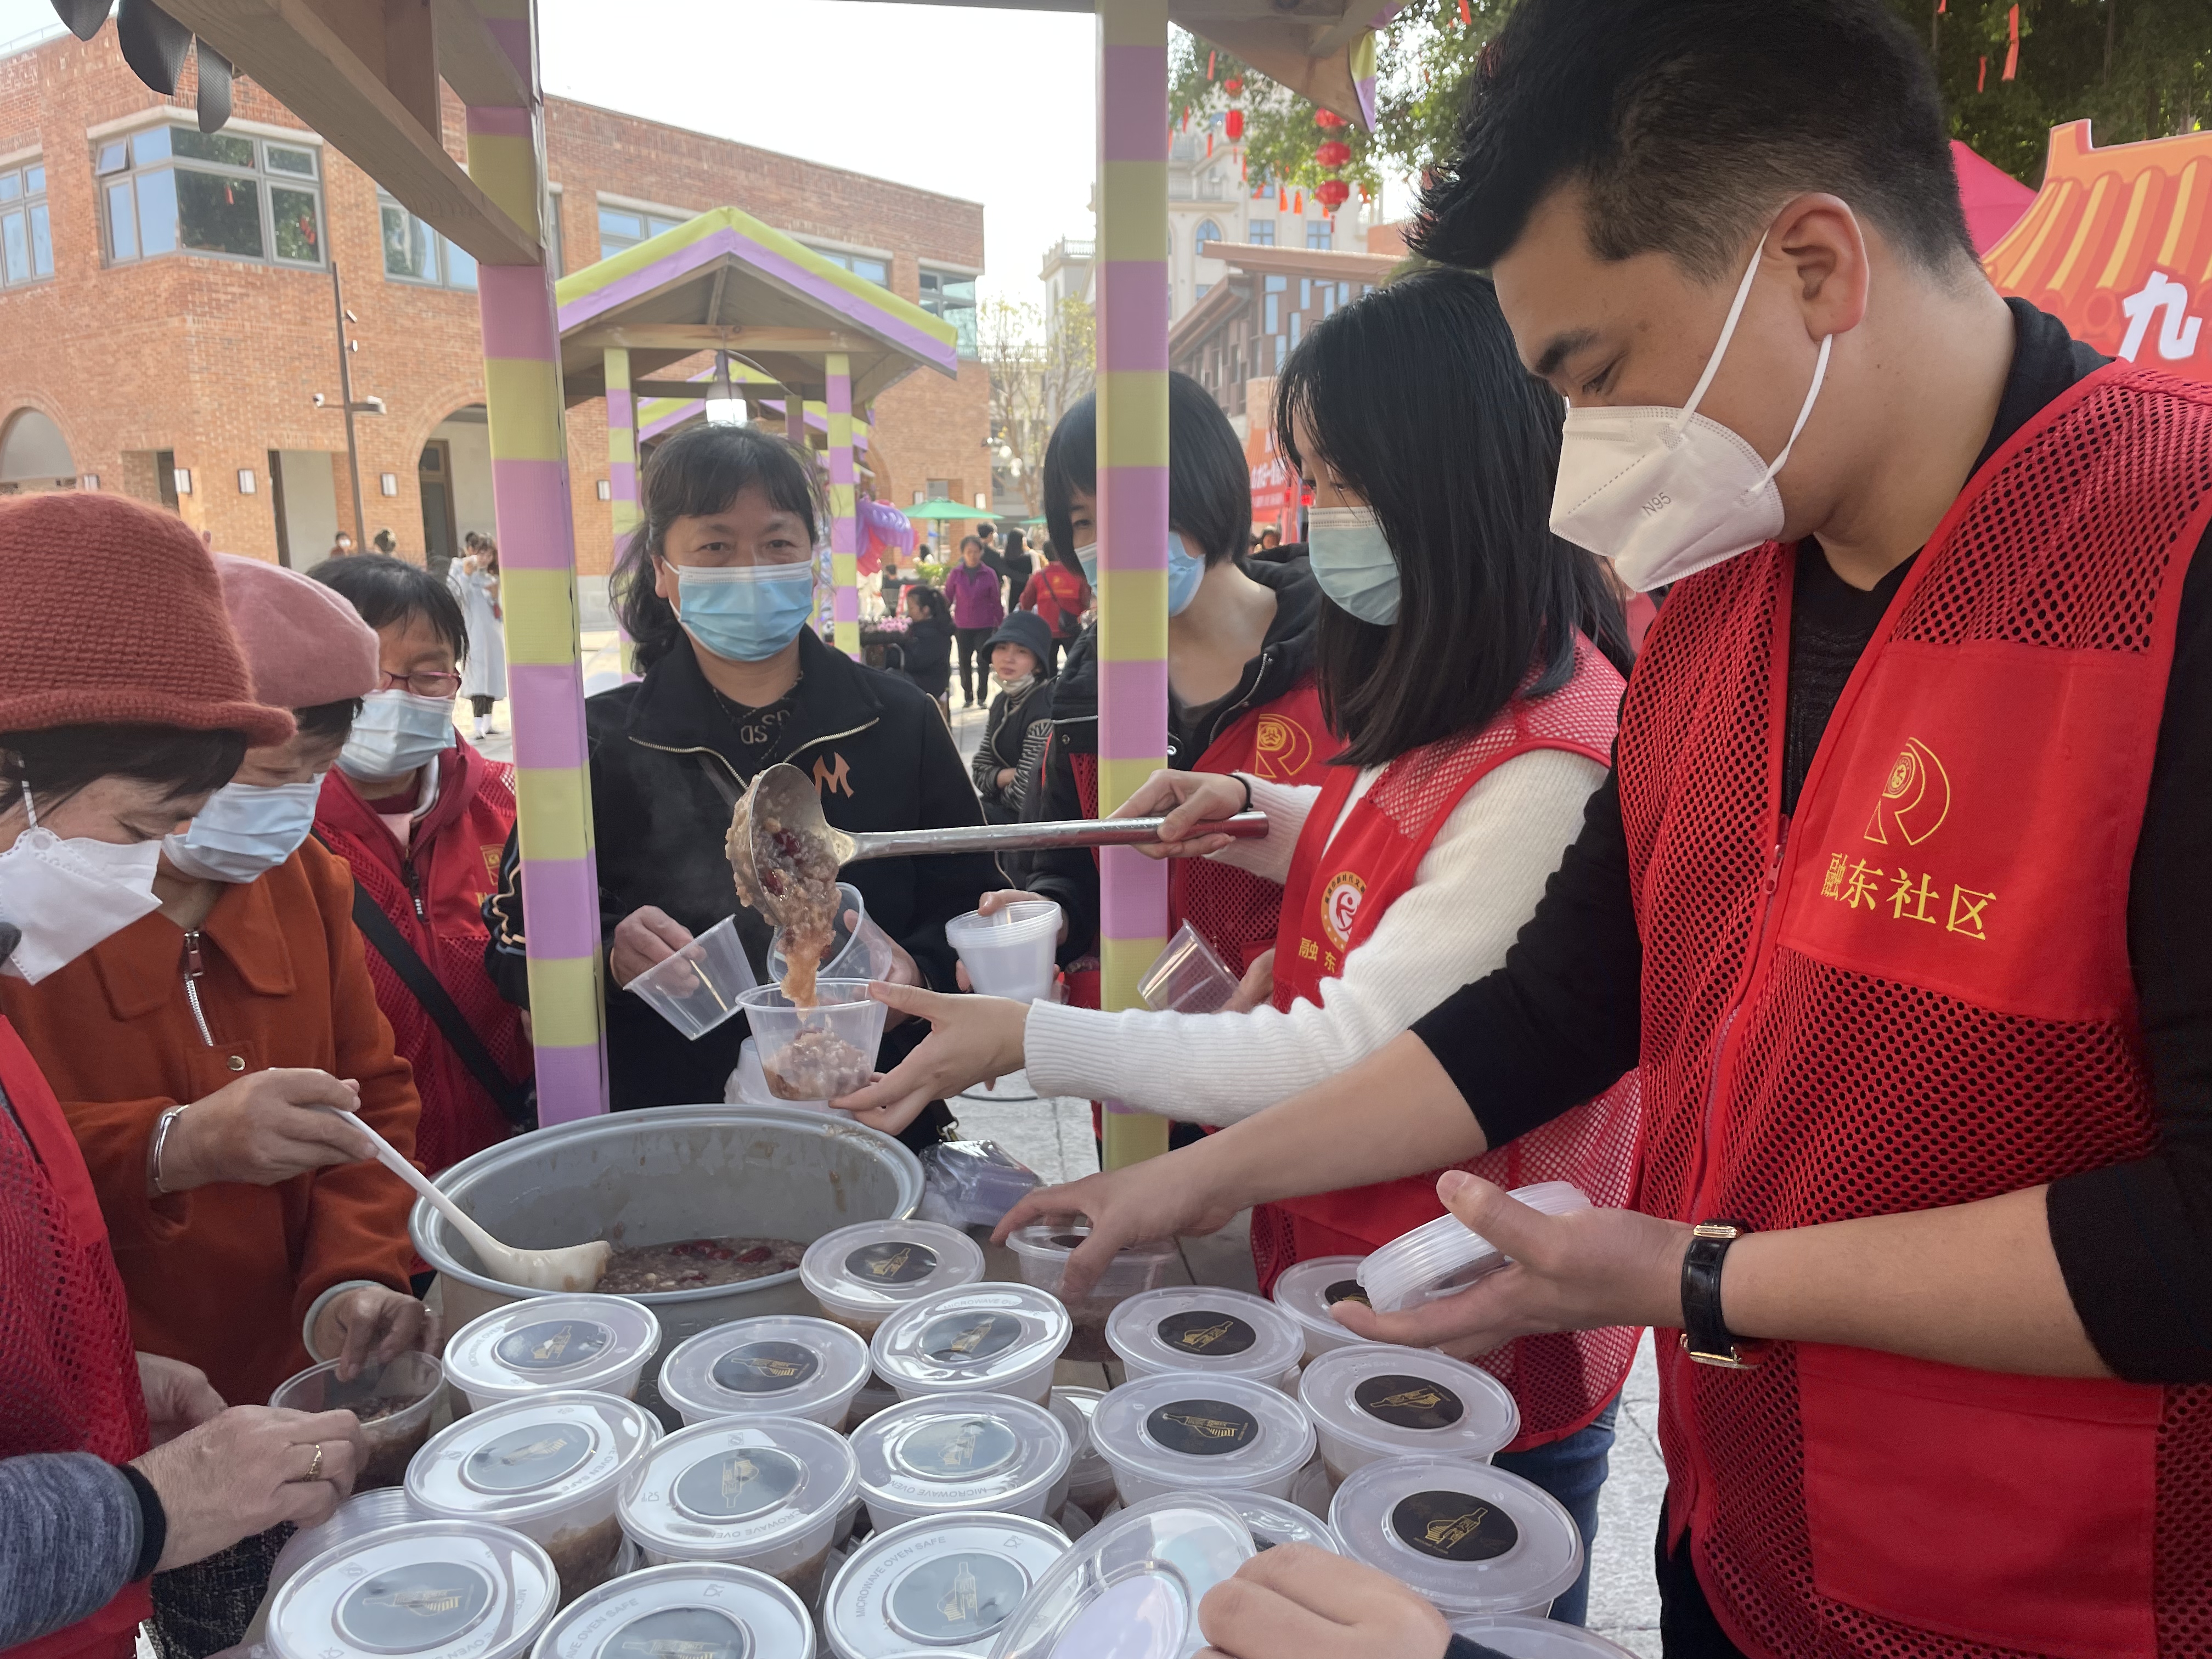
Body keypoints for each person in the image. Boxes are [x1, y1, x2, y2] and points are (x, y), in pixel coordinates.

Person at [1001, 3, 2212, 1654]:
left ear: (1813, 267)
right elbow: (1550, 1009)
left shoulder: (2174, 565)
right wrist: (1179, 1191)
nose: (1575, 465)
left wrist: (1696, 1277)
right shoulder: (1714, 610)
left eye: (1597, 375)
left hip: (2048, 1591)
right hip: (1735, 1549)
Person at [843, 272, 1636, 1623]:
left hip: (1477, 1358)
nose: (1318, 517)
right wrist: (1264, 816)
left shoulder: (1553, 759)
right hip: (1363, 1284)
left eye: (1341, 480)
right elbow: (1404, 841)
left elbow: (1355, 1055)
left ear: (1449, 482)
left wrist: (1033, 1037)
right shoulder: (1462, 708)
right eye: (1310, 476)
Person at [3, 554, 430, 1659]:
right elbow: (34, 1186)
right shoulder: (45, 905)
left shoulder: (306, 886)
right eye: (245, 784)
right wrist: (176, 1146)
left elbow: (368, 1103)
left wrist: (353, 1273)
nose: (272, 814)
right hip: (110, 1443)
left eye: (309, 778)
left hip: (243, 1393)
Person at [481, 424, 998, 1143]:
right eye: (716, 546)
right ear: (664, 570)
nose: (751, 567)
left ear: (812, 560)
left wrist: (922, 973)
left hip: (875, 1118)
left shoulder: (898, 721)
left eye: (778, 544)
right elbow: (511, 936)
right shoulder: (595, 742)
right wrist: (606, 952)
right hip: (667, 1126)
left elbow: (974, 908)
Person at [1015, 373, 1334, 1092]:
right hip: (1144, 1072)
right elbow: (1061, 858)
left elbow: (1392, 848)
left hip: (1308, 1055)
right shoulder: (1082, 690)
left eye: (1132, 506)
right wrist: (1047, 915)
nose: (1107, 542)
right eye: (1083, 521)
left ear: (1206, 488)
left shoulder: (1346, 657)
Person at [310, 555, 530, 1175]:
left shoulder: (517, 813)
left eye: (427, 673)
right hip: (359, 1213)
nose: (396, 695)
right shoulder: (271, 839)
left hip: (509, 1184)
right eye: (367, 673)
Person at [969, 610, 1057, 825]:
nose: (1009, 658)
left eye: (1022, 651)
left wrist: (995, 786)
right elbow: (979, 770)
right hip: (1001, 810)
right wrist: (1006, 776)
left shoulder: (1043, 713)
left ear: (1037, 664)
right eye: (1001, 648)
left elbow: (1025, 796)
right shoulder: (1003, 700)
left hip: (1030, 822)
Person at [448, 533, 509, 739]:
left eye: (488, 554)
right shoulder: (459, 569)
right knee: (477, 679)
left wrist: (494, 598)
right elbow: (455, 598)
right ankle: (477, 726)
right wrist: (465, 575)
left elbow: (500, 615)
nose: (484, 558)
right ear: (471, 551)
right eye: (481, 553)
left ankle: (489, 723)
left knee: (491, 677)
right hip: (473, 634)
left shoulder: (491, 578)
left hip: (492, 636)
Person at [944, 535, 1005, 707]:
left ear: (981, 553)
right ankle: (968, 695)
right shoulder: (956, 574)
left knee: (983, 662)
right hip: (962, 625)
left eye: (976, 552)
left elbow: (996, 600)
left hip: (985, 624)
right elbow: (948, 598)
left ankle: (982, 696)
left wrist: (1001, 624)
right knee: (964, 662)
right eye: (969, 552)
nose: (972, 555)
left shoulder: (989, 574)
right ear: (963, 553)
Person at [1016, 538, 1091, 673]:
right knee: (1076, 670)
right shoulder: (1078, 575)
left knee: (1048, 672)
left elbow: (1026, 603)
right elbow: (1087, 602)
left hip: (1046, 632)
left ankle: (1051, 693)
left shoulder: (1038, 577)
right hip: (1073, 630)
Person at [895, 583, 953, 718]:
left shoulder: (932, 633)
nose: (909, 613)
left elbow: (915, 662)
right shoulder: (922, 628)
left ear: (926, 610)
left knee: (888, 680)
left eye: (912, 608)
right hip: (923, 677)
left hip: (929, 682)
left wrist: (891, 655)